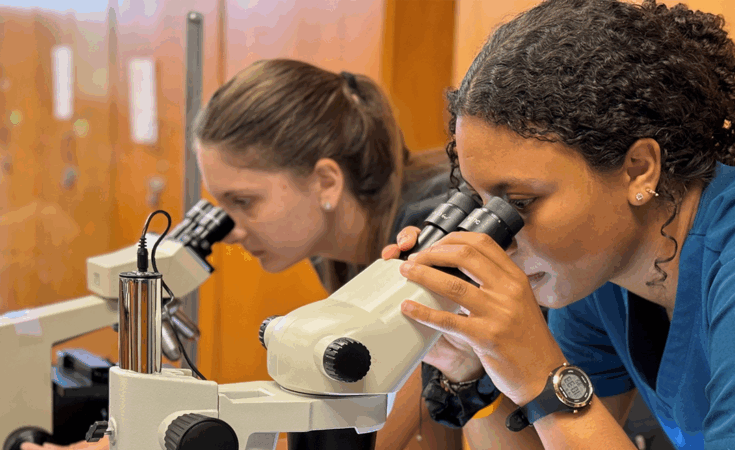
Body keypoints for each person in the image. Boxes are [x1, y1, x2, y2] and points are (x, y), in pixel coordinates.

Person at [381, 1, 735, 449]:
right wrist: (481, 367)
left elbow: (566, 414)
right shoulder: (603, 271)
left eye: (519, 202)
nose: (492, 241)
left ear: (638, 170)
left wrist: (545, 380)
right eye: (480, 203)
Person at [23, 59, 461, 450]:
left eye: (245, 201)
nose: (229, 230)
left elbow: (366, 434)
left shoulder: (429, 241)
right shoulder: (333, 245)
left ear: (327, 182)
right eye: (221, 205)